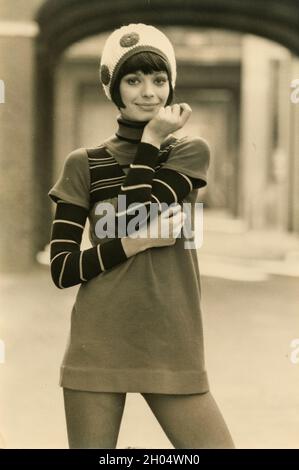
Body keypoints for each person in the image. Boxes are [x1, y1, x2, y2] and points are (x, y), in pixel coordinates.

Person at [48, 23, 235, 449]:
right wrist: (136, 244)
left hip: (173, 340)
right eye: (133, 80)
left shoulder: (189, 151)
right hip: (97, 344)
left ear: (172, 84)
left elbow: (137, 212)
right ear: (112, 88)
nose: (149, 92)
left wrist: (151, 140)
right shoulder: (84, 164)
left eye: (158, 79)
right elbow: (62, 269)